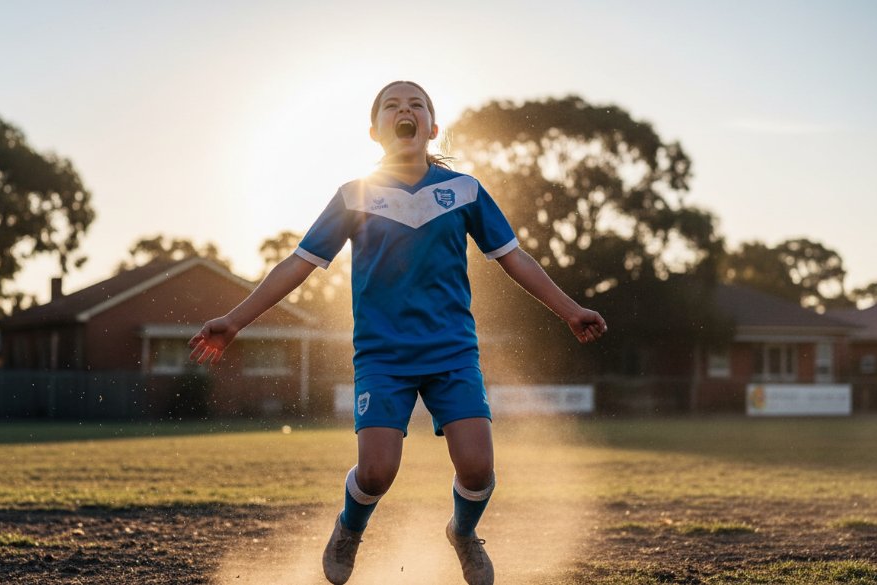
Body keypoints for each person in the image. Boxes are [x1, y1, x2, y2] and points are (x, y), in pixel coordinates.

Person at [188, 80, 607, 585]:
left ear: (432, 128)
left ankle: (463, 533)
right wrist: (235, 320)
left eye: (417, 105)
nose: (404, 110)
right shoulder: (355, 196)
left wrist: (569, 309)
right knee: (376, 473)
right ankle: (348, 528)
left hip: (452, 352)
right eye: (392, 105)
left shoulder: (466, 191)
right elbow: (298, 264)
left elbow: (513, 258)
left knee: (477, 467)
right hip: (383, 356)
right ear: (374, 131)